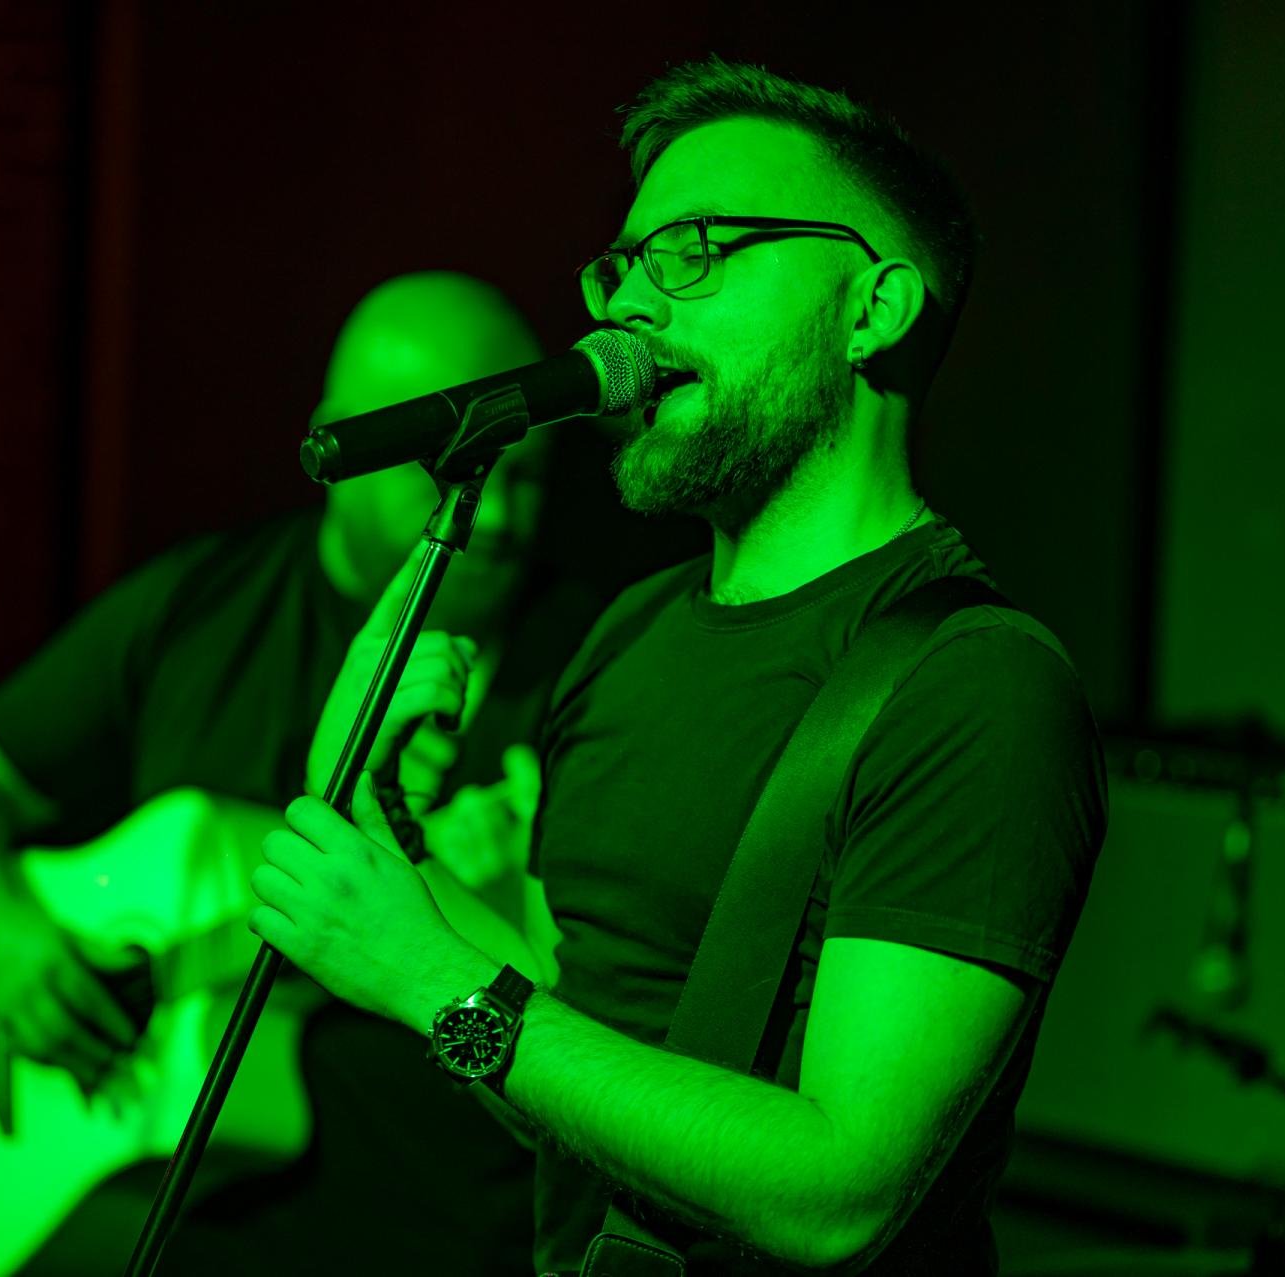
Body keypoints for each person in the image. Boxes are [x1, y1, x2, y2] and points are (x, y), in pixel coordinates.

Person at [247, 57, 1109, 1275]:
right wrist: (387, 846)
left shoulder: (977, 685)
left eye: (694, 251)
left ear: (873, 308)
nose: (632, 309)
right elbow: (568, 1057)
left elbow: (840, 1189)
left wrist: (435, 978)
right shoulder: (629, 636)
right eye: (623, 267)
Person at [0, 270, 606, 1274]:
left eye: (530, 474)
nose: (503, 512)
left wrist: (476, 894)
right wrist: (6, 942)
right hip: (173, 1223)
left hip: (448, 1235)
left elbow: (598, 1018)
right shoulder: (202, 605)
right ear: (339, 442)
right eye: (461, 470)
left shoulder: (590, 670)